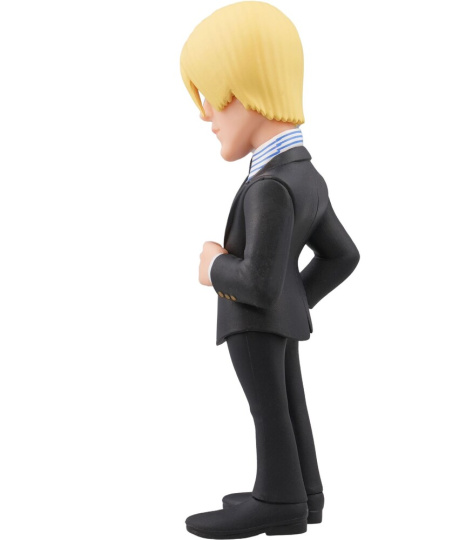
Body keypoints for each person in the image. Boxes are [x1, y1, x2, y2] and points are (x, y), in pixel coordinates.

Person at [180, 2, 360, 538]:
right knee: (289, 405)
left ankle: (277, 501)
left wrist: (214, 266)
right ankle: (305, 494)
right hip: (277, 320)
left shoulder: (270, 187)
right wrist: (293, 300)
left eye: (213, 96)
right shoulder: (306, 175)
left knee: (270, 411)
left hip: (253, 323)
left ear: (249, 91)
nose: (206, 115)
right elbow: (342, 255)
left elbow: (257, 282)